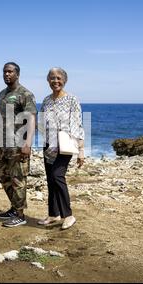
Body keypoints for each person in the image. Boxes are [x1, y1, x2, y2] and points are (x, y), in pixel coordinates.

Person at [0, 62, 37, 227]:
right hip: (3, 144)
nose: (6, 74)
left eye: (10, 72)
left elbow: (31, 119)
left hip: (18, 145)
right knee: (5, 178)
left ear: (17, 74)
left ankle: (20, 215)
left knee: (18, 179)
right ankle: (13, 207)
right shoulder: (2, 93)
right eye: (4, 72)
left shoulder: (25, 94)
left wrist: (28, 143)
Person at [38, 67, 84, 230]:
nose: (55, 81)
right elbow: (41, 123)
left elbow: (78, 124)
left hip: (65, 144)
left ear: (64, 80)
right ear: (48, 80)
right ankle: (53, 214)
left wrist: (81, 150)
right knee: (50, 179)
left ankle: (68, 215)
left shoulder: (72, 99)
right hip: (48, 144)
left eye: (58, 78)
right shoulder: (46, 100)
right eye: (52, 78)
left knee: (58, 176)